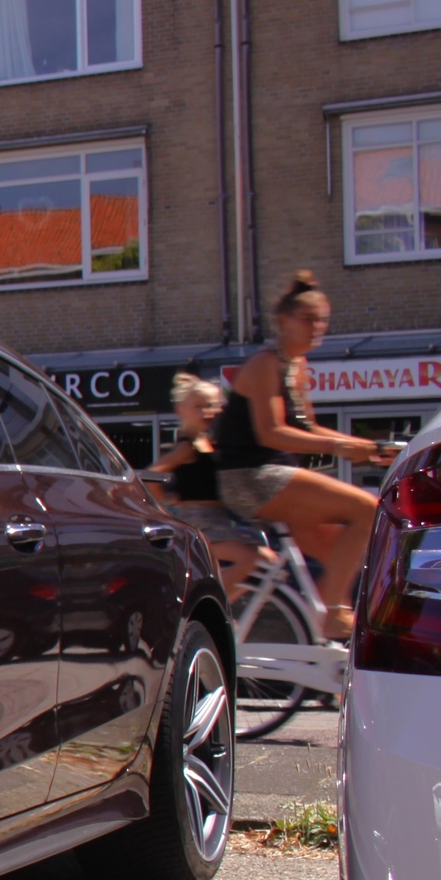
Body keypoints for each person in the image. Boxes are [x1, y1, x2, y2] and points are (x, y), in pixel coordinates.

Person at [214, 271, 381, 640]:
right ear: (283, 322)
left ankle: (326, 639)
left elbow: (308, 430)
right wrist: (341, 446)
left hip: (272, 473)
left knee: (341, 551)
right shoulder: (264, 364)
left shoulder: (296, 367)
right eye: (308, 319)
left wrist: (364, 448)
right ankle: (333, 615)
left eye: (322, 320)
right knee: (367, 509)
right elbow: (271, 431)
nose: (317, 327)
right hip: (251, 477)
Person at [147, 373, 275, 603]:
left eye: (211, 406)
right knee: (252, 560)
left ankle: (223, 606)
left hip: (219, 520)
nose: (206, 412)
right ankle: (207, 606)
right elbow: (153, 475)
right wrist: (167, 505)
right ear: (181, 410)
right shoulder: (188, 447)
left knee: (269, 564)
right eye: (198, 406)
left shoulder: (209, 443)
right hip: (202, 522)